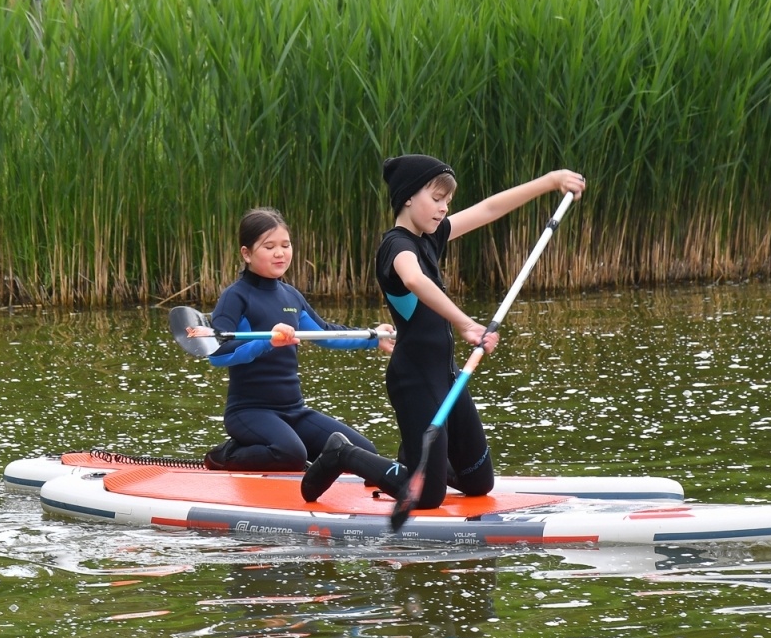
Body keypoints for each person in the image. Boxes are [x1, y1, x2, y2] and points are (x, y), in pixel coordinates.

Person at [302, 156, 585, 522]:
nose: (444, 207)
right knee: (429, 497)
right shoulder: (396, 245)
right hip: (414, 379)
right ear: (407, 197)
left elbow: (489, 208)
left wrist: (548, 181)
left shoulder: (431, 237)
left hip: (446, 375)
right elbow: (415, 280)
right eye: (436, 198)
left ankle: (416, 460)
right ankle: (343, 453)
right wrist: (466, 324)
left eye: (447, 201)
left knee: (479, 481)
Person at [199, 207, 396, 472]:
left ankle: (312, 474)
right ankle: (224, 455)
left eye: (285, 245)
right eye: (269, 247)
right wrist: (269, 341)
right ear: (246, 254)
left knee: (363, 454)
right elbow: (218, 354)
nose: (280, 253)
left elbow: (324, 333)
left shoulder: (291, 296)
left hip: (294, 410)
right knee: (290, 453)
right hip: (248, 412)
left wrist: (374, 338)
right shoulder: (235, 297)